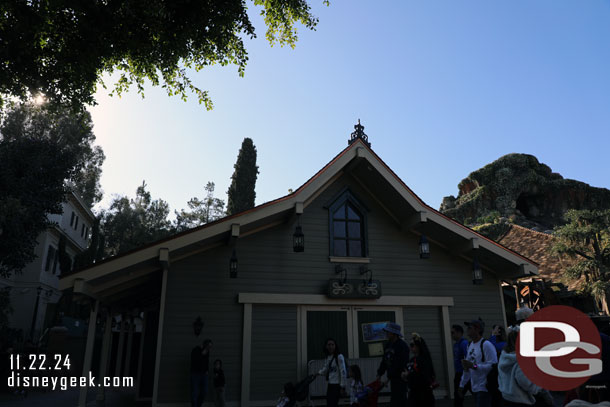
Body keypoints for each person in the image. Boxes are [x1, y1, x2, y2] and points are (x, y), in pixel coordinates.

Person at [497, 327, 552, 406]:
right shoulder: (521, 361)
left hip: (506, 398)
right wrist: (540, 387)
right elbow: (527, 384)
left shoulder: (504, 357)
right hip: (521, 401)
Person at [458, 319, 497, 407]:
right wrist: (462, 384)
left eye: (470, 328)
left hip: (485, 387)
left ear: (478, 330)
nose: (467, 330)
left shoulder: (486, 345)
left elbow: (493, 365)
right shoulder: (470, 345)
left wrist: (474, 366)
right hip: (474, 386)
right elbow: (467, 367)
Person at [376, 322, 410, 407]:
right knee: (394, 401)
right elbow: (384, 361)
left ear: (394, 334)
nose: (386, 333)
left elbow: (400, 364)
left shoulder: (402, 346)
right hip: (393, 379)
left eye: (388, 332)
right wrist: (379, 373)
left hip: (401, 379)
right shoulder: (388, 345)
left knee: (401, 401)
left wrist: (388, 378)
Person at [401, 332, 435, 407]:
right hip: (413, 393)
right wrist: (404, 376)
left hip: (423, 394)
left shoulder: (424, 360)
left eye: (412, 345)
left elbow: (424, 377)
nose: (410, 347)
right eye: (410, 345)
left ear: (419, 346)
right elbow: (407, 372)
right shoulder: (411, 360)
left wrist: (409, 375)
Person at [317, 338, 347, 407]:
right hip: (330, 385)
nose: (330, 346)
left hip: (337, 385)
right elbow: (325, 369)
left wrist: (343, 387)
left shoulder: (339, 357)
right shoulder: (328, 357)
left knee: (332, 404)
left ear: (335, 346)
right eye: (329, 344)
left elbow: (343, 372)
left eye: (332, 344)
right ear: (326, 346)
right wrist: (318, 373)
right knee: (329, 403)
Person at [191, 339, 212, 407]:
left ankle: (199, 405)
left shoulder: (207, 352)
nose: (209, 348)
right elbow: (194, 361)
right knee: (195, 392)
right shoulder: (196, 350)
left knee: (205, 391)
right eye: (208, 346)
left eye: (210, 347)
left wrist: (207, 371)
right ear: (204, 345)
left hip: (204, 374)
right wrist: (202, 354)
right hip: (195, 374)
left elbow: (206, 362)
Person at [452, 324, 469, 407]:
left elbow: (468, 358)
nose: (452, 335)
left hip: (464, 373)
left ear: (459, 333)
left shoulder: (464, 343)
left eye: (453, 332)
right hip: (458, 373)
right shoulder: (456, 345)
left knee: (459, 396)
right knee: (458, 396)